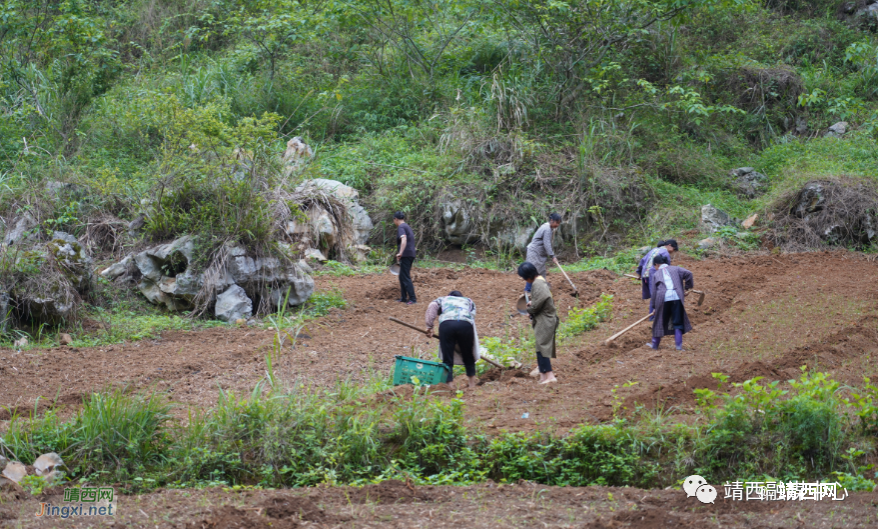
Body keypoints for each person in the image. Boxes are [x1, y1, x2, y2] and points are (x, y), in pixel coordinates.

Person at [425, 291, 480, 389]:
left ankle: (450, 386)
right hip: (465, 325)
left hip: (447, 325)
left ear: (449, 296)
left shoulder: (443, 299)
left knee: (447, 357)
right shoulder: (468, 301)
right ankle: (472, 385)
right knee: (468, 355)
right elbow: (472, 317)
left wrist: (429, 326)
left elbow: (432, 306)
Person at [518, 262, 559, 384]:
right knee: (539, 347)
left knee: (543, 347)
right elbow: (541, 299)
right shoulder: (539, 281)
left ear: (528, 275)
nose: (524, 279)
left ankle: (550, 376)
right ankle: (543, 375)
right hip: (543, 319)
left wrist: (531, 308)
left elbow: (544, 297)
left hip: (545, 319)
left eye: (524, 277)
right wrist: (533, 304)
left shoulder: (538, 283)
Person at [647, 254, 693, 351]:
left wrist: (654, 307)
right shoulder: (676, 269)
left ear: (656, 265)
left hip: (662, 298)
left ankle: (655, 346)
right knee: (677, 321)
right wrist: (687, 288)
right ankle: (679, 347)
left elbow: (654, 292)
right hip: (676, 297)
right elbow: (689, 274)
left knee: (659, 321)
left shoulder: (656, 274)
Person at [635, 239, 678, 317]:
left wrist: (639, 273)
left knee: (654, 294)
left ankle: (656, 315)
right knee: (657, 294)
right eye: (673, 249)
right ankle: (654, 317)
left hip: (645, 275)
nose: (672, 251)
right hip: (654, 275)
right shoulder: (665, 253)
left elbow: (643, 261)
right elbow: (666, 267)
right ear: (669, 245)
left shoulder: (654, 250)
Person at [524, 213, 562, 292]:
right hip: (534, 252)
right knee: (533, 272)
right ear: (551, 220)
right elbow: (547, 244)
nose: (557, 225)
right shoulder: (547, 229)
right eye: (557, 223)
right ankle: (528, 291)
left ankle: (542, 288)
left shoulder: (548, 227)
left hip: (538, 253)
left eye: (559, 223)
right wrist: (552, 256)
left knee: (541, 271)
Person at [393, 212, 416, 304]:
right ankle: (403, 297)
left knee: (405, 276)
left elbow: (404, 239)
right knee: (402, 276)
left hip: (406, 254)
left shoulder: (401, 227)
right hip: (410, 254)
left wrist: (400, 253)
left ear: (396, 219)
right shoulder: (407, 226)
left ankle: (412, 299)